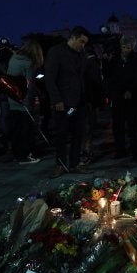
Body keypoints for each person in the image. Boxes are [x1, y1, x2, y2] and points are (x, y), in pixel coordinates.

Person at [45, 26, 91, 178]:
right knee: (62, 134)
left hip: (79, 103)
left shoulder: (81, 54)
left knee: (78, 133)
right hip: (64, 104)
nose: (83, 45)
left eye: (85, 43)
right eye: (81, 41)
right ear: (72, 37)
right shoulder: (56, 52)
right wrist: (56, 99)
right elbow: (50, 78)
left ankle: (74, 163)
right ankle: (61, 164)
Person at [104, 35, 137, 161]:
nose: (125, 50)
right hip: (118, 98)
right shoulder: (115, 59)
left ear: (132, 47)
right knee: (118, 126)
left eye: (128, 47)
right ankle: (120, 150)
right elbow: (109, 76)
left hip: (132, 99)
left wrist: (131, 90)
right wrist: (105, 61)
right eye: (123, 47)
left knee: (133, 127)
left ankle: (136, 152)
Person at [7, 38, 43, 165]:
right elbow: (30, 85)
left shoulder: (14, 59)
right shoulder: (29, 63)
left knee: (16, 130)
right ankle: (25, 156)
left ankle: (17, 155)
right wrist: (31, 102)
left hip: (12, 99)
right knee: (26, 130)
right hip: (25, 102)